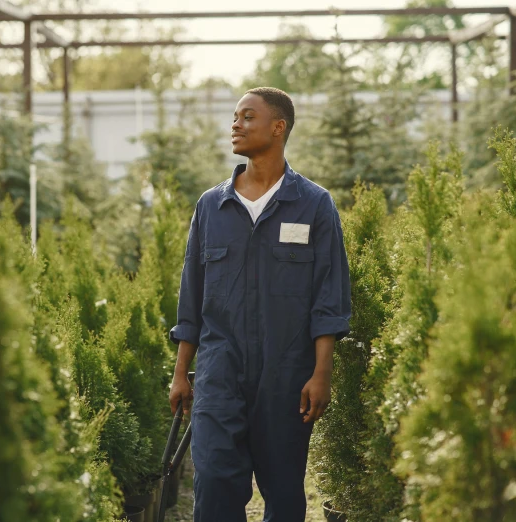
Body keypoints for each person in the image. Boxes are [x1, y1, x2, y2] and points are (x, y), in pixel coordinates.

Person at [168, 87, 351, 522]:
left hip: (287, 373)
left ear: (278, 127)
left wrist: (321, 372)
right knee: (213, 484)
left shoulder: (314, 205)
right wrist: (181, 372)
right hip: (219, 371)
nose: (236, 124)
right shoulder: (212, 206)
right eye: (235, 117)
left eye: (247, 117)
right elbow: (191, 295)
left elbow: (330, 295)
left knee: (285, 492)